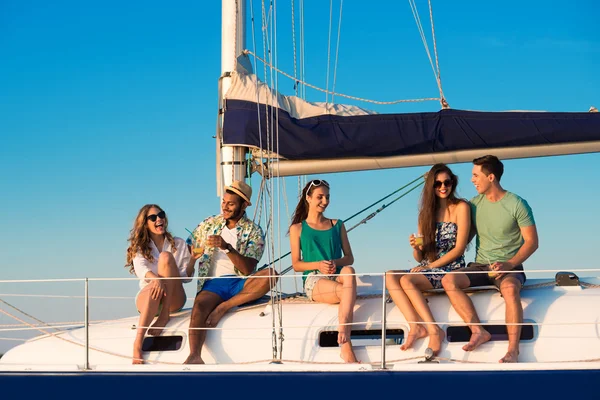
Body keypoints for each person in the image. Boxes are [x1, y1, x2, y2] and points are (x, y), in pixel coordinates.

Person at [441, 155, 539, 363]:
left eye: (476, 175)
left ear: (491, 177)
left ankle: (513, 350)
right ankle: (478, 331)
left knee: (511, 289)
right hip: (480, 266)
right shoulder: (474, 206)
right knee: (449, 280)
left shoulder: (517, 204)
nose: (472, 180)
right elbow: (461, 241)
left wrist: (509, 264)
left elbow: (532, 242)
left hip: (509, 267)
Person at [184, 180, 276, 364]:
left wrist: (227, 248)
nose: (225, 207)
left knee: (272, 274)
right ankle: (194, 355)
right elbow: (189, 243)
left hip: (240, 283)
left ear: (244, 205)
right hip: (214, 284)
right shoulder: (209, 223)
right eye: (224, 202)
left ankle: (223, 307)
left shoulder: (254, 231)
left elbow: (247, 268)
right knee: (200, 306)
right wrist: (194, 252)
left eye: (231, 204)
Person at [385, 164, 470, 356]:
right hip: (428, 266)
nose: (443, 187)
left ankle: (434, 330)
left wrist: (429, 266)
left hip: (450, 267)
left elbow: (459, 249)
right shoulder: (425, 213)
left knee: (407, 280)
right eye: (437, 183)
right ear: (430, 186)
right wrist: (416, 248)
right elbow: (420, 257)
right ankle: (416, 327)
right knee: (390, 276)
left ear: (452, 183)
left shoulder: (460, 207)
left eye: (447, 182)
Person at [289, 179, 359, 363]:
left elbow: (349, 257)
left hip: (337, 272)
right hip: (314, 277)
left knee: (350, 270)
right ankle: (346, 345)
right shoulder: (297, 228)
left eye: (327, 197)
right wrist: (318, 265)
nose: (325, 201)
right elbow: (296, 264)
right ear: (308, 198)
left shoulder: (337, 224)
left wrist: (334, 262)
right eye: (320, 197)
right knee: (347, 291)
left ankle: (343, 329)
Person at [125, 204, 197, 364]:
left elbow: (185, 277)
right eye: (153, 218)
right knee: (152, 287)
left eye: (161, 215)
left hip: (173, 299)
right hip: (150, 295)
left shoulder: (178, 243)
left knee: (165, 256)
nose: (159, 219)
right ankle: (138, 343)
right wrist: (157, 280)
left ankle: (164, 314)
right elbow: (141, 269)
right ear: (145, 224)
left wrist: (192, 260)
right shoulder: (140, 247)